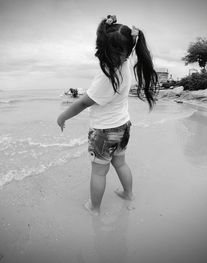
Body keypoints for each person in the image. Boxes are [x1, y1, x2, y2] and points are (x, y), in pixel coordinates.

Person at [57, 15, 158, 215]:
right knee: (120, 162)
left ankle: (94, 208)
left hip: (104, 132)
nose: (104, 57)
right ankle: (128, 193)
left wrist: (63, 116)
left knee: (98, 172)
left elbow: (84, 102)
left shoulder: (107, 78)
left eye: (106, 52)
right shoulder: (126, 64)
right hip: (123, 127)